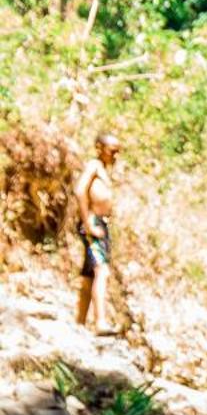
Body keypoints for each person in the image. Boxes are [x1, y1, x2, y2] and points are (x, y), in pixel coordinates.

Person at [74, 132, 121, 334]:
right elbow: (79, 190)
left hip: (99, 223)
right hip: (93, 223)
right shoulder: (94, 165)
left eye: (118, 152)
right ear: (100, 148)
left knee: (89, 276)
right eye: (112, 151)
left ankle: (80, 322)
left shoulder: (102, 168)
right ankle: (100, 321)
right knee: (102, 270)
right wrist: (88, 223)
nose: (115, 156)